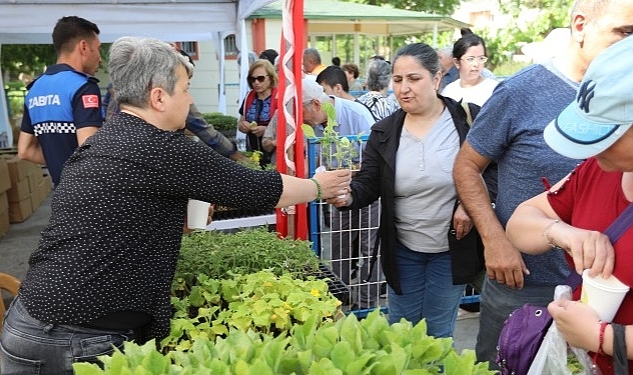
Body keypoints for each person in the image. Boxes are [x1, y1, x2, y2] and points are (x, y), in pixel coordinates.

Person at [0, 36, 351, 374]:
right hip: (74, 338)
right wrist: (320, 185)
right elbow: (254, 188)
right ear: (158, 97)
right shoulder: (160, 146)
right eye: (184, 91)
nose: (187, 100)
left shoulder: (112, 135)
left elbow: (122, 211)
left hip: (33, 323)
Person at [452, 0, 633, 369]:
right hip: (524, 281)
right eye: (625, 32)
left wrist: (605, 337)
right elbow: (468, 166)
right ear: (580, 25)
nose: (592, 151)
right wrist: (497, 241)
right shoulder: (520, 93)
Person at [329, 43, 493, 339]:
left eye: (414, 79)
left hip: (451, 250)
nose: (404, 88)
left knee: (438, 333)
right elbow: (368, 184)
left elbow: (493, 171)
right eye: (398, 79)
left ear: (436, 78)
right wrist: (345, 195)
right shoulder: (384, 132)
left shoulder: (468, 120)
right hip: (403, 250)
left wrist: (470, 205)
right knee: (401, 333)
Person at [506, 35, 633, 374]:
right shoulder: (598, 169)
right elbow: (521, 222)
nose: (591, 149)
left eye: (605, 133)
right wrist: (563, 233)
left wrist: (603, 337)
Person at [302, 78, 378, 310]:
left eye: (304, 113)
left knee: (370, 247)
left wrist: (344, 176)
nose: (303, 120)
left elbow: (373, 162)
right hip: (335, 192)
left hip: (366, 190)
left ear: (316, 104)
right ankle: (338, 297)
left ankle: (366, 304)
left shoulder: (357, 115)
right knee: (339, 246)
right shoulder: (311, 125)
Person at [106, 48, 248, 163]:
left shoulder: (119, 88)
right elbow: (201, 126)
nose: (189, 98)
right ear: (158, 97)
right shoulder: (169, 97)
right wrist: (233, 153)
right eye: (185, 88)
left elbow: (107, 117)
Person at [17, 16, 103, 187]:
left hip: (61, 194)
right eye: (98, 49)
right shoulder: (83, 87)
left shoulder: (35, 89)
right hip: (89, 194)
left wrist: (60, 163)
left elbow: (25, 151)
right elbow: (90, 151)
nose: (100, 58)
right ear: (84, 47)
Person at [441, 29, 498, 107]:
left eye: (481, 58)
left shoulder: (494, 90)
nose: (476, 64)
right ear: (457, 62)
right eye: (470, 59)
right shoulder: (449, 91)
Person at [237, 59, 278, 167]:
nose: (256, 82)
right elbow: (240, 123)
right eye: (252, 79)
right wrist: (243, 126)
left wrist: (266, 130)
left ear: (270, 78)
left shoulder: (279, 97)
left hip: (273, 153)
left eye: (261, 78)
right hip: (252, 152)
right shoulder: (248, 97)